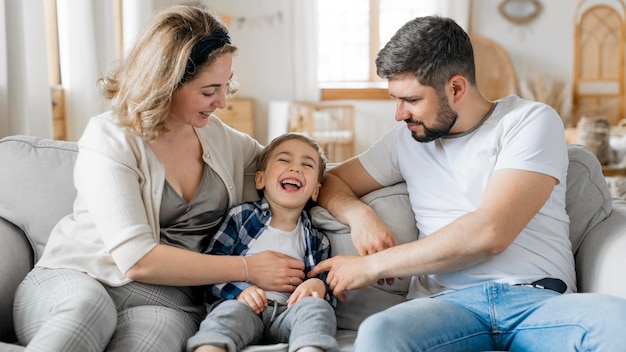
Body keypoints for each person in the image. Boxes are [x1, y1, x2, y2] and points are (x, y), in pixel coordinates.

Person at [308, 15, 626, 351]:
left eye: (412, 100)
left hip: (536, 301)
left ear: (456, 88)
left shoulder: (529, 121)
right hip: (447, 307)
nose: (399, 114)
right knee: (379, 333)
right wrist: (360, 216)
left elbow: (490, 232)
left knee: (615, 320)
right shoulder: (403, 140)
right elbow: (330, 180)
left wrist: (373, 265)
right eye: (395, 99)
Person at [13, 5, 306, 352]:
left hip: (168, 302)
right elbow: (137, 260)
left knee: (152, 341)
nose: (223, 102)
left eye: (227, 86)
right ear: (165, 83)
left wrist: (354, 212)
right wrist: (246, 268)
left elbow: (302, 170)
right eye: (209, 90)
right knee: (88, 309)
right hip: (77, 278)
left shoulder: (221, 139)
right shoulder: (110, 137)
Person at [188, 132, 339, 352]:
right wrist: (239, 291)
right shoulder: (241, 216)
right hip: (245, 308)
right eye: (284, 160)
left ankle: (309, 348)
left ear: (315, 190)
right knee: (227, 314)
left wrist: (318, 286)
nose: (295, 168)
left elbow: (325, 283)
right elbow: (212, 264)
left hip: (290, 312)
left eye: (307, 165)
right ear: (260, 179)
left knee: (317, 311)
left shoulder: (318, 239)